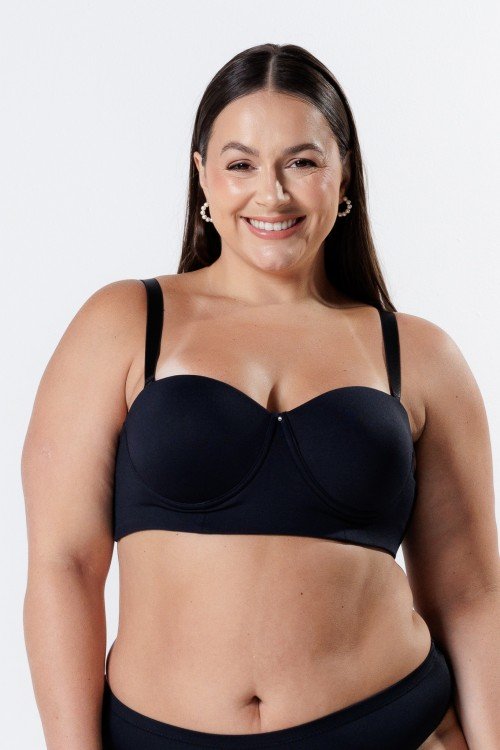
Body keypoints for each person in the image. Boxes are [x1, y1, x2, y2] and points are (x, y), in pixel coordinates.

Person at [22, 43, 499, 750]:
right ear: (202, 177)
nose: (271, 194)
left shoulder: (419, 354)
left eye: (301, 162)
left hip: (397, 728)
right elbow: (64, 566)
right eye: (241, 164)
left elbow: (470, 595)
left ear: (344, 176)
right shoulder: (125, 324)